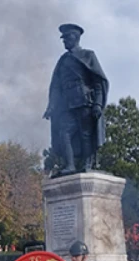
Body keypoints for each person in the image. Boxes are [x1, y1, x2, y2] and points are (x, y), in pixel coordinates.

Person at [43, 23, 109, 175]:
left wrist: (98, 104)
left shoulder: (88, 55)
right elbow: (56, 86)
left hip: (84, 101)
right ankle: (70, 165)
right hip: (67, 104)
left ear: (75, 38)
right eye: (63, 39)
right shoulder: (62, 61)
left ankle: (87, 163)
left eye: (67, 38)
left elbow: (98, 82)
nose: (64, 41)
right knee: (64, 133)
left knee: (86, 135)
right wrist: (51, 106)